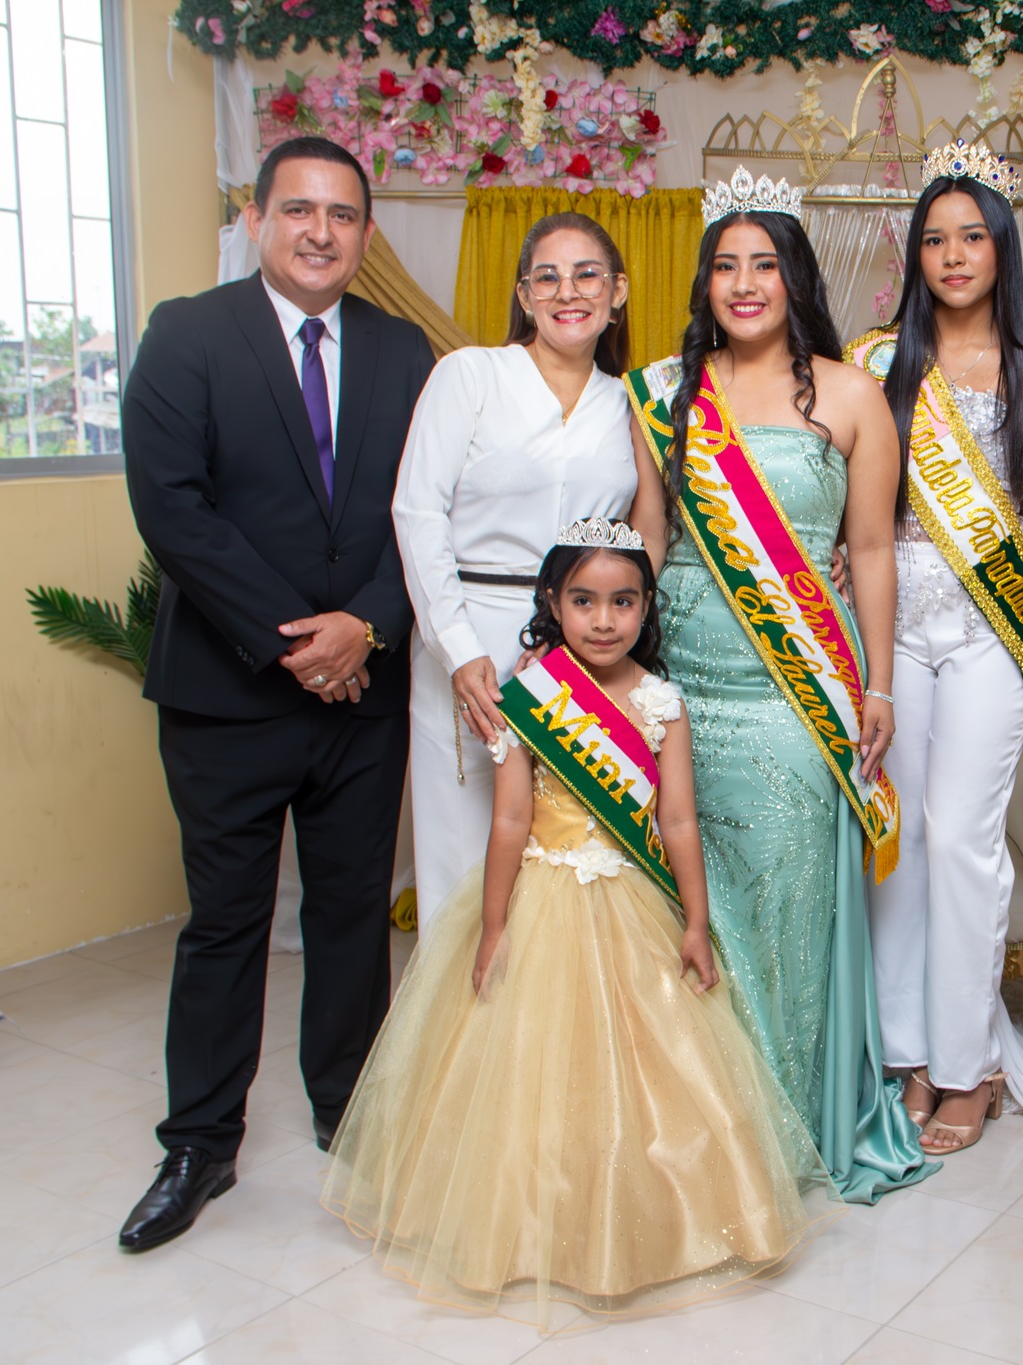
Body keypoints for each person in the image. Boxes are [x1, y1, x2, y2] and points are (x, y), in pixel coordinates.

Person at [321, 520, 835, 1322]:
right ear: (553, 602)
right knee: (524, 1069)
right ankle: (526, 1229)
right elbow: (509, 821)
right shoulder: (531, 698)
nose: (603, 619)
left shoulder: (663, 703)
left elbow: (679, 822)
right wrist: (494, 926)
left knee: (649, 1069)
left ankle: (643, 1220)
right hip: (541, 898)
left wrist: (695, 921)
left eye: (623, 601)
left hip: (632, 902)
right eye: (584, 600)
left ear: (646, 606)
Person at [118, 136, 435, 1250]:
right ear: (255, 221)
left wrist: (369, 626)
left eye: (342, 214)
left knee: (351, 915)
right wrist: (297, 640)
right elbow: (173, 507)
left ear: (365, 234)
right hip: (227, 693)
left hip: (364, 694)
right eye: (297, 209)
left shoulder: (402, 350)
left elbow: (423, 510)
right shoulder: (187, 334)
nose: (319, 232)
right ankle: (200, 1143)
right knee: (226, 923)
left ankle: (350, 1109)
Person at [624, 168, 936, 1203]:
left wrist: (877, 687)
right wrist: (622, 674)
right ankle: (702, 1118)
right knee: (687, 905)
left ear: (796, 279)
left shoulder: (849, 395)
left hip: (798, 689)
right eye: (726, 266)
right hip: (685, 685)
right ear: (704, 282)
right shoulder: (663, 392)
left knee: (789, 905)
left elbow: (873, 549)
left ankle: (785, 1121)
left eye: (765, 265)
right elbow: (651, 537)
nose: (745, 284)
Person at [845, 143, 1023, 1155]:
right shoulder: (874, 361)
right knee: (892, 841)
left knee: (959, 841)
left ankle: (967, 1064)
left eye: (972, 236)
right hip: (891, 624)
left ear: (1001, 248)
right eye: (934, 239)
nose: (952, 255)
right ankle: (905, 1054)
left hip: (990, 627)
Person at [394, 212, 665, 925]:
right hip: (470, 634)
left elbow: (650, 531)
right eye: (547, 277)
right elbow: (417, 511)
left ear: (618, 291)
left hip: (585, 647)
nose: (567, 292)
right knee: (464, 857)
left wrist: (616, 638)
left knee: (569, 855)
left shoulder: (630, 403)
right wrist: (458, 650)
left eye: (586, 275)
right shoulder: (470, 375)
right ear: (523, 295)